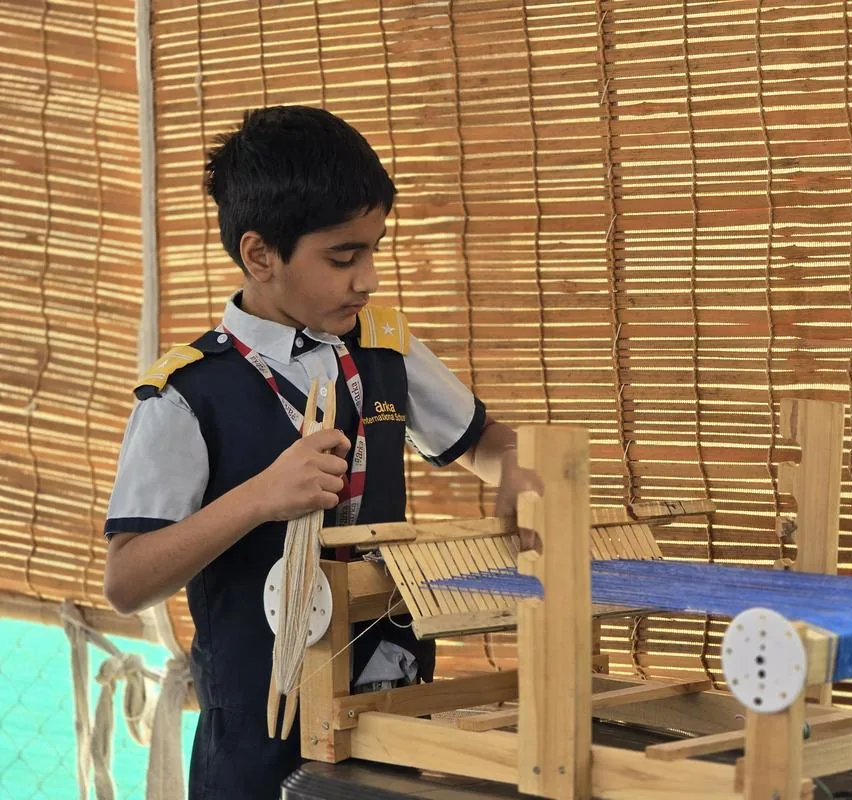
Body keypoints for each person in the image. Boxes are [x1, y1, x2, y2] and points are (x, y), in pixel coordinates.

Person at [102, 105, 535, 799]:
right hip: (259, 735)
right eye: (343, 257)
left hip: (387, 712)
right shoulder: (186, 395)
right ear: (260, 256)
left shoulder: (385, 348)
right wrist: (259, 498)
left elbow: (485, 443)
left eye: (374, 249)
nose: (368, 278)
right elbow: (127, 582)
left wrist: (516, 467)